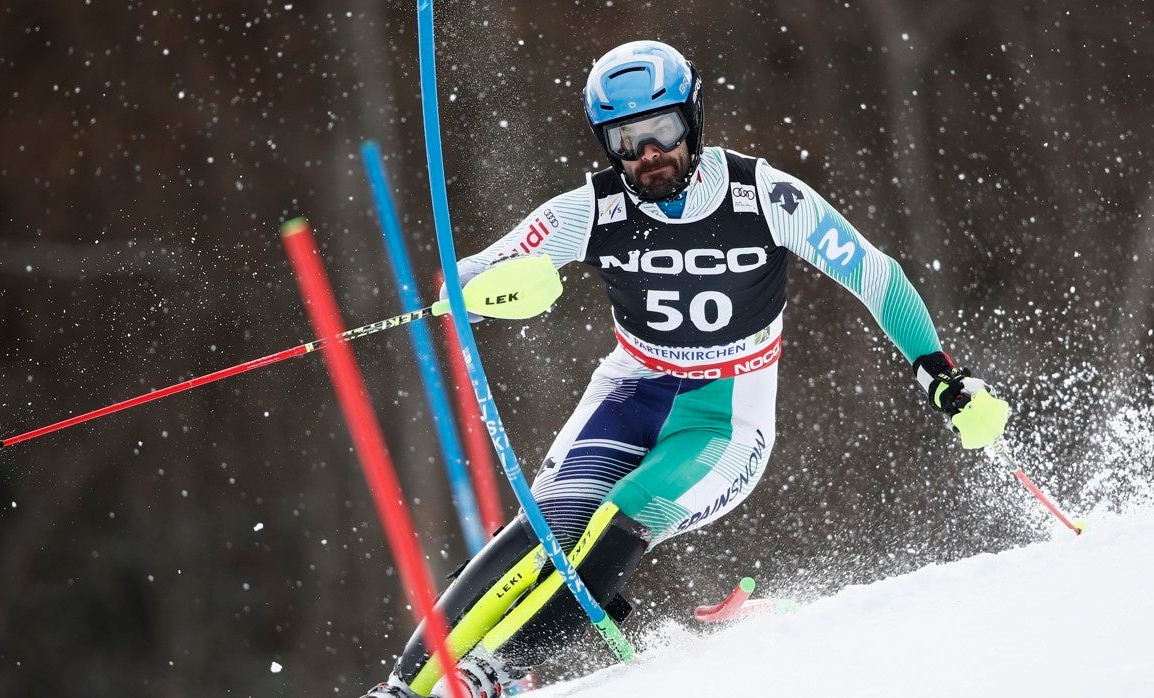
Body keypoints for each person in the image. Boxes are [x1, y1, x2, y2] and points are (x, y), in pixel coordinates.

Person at [362, 40, 1009, 698]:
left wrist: (939, 374)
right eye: (626, 139)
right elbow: (462, 277)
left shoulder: (763, 195)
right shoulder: (594, 208)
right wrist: (481, 294)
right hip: (629, 393)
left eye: (663, 131)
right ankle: (401, 687)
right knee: (547, 528)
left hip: (725, 422)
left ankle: (486, 675)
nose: (648, 154)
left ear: (693, 119)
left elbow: (875, 275)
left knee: (625, 509)